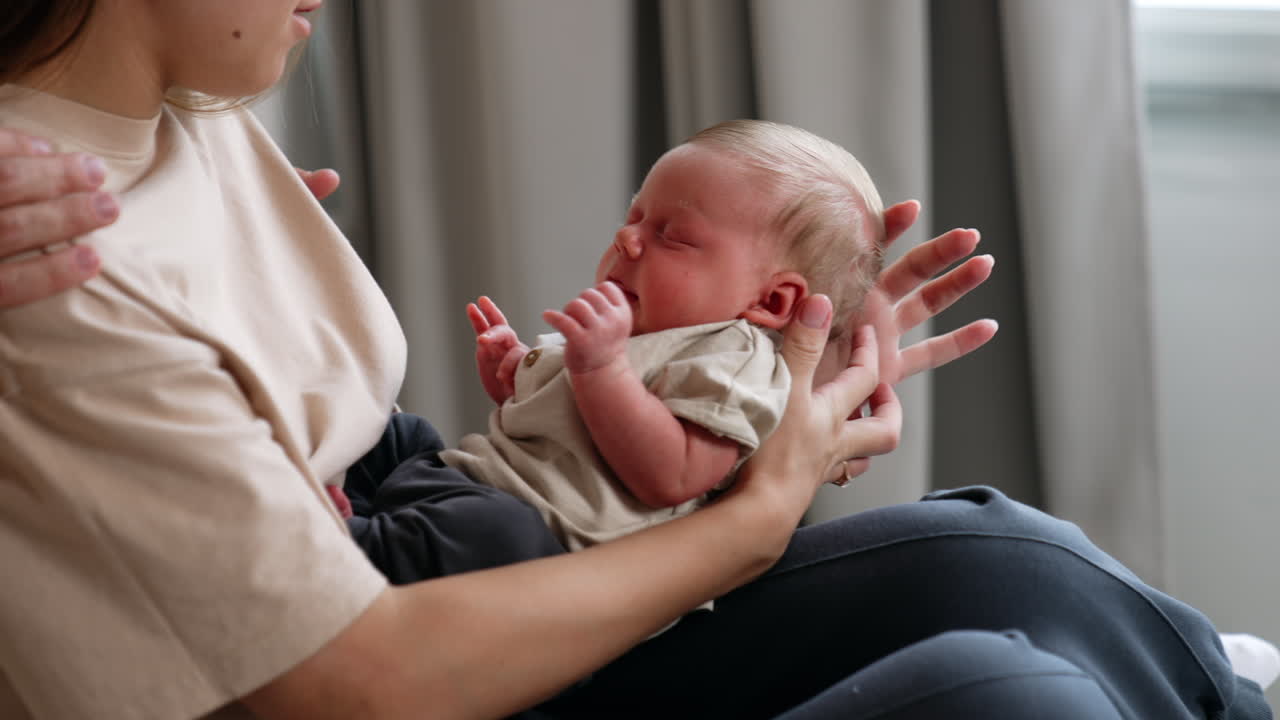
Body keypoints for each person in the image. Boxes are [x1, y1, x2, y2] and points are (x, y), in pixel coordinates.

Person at [0, 3, 1270, 720]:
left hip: (441, 574)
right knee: (998, 699)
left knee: (1005, 551)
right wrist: (751, 516)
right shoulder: (48, 244)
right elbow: (349, 679)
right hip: (383, 682)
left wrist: (769, 372)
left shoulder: (193, 118)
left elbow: (349, 445)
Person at [343, 119, 889, 585]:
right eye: (634, 220)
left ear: (771, 300)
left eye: (672, 236)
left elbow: (673, 475)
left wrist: (600, 368)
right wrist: (514, 374)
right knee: (396, 433)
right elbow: (563, 421)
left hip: (542, 545)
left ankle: (344, 543)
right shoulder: (639, 334)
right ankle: (347, 510)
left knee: (486, 533)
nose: (628, 241)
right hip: (468, 484)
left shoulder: (736, 362)